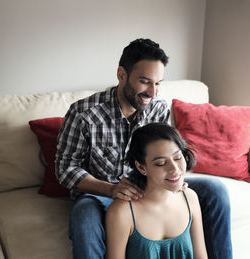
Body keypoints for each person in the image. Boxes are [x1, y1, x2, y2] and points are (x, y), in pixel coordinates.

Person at [55, 38, 232, 259]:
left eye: (158, 83)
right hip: (102, 192)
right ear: (122, 75)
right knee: (83, 217)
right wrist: (110, 189)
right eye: (145, 82)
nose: (153, 92)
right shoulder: (84, 113)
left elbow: (167, 155)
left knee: (215, 190)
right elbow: (65, 168)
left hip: (150, 185)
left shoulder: (158, 109)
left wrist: (173, 178)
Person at [105, 123, 207, 259]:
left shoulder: (190, 198)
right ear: (141, 168)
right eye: (161, 163)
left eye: (177, 158)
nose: (175, 169)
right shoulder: (122, 212)